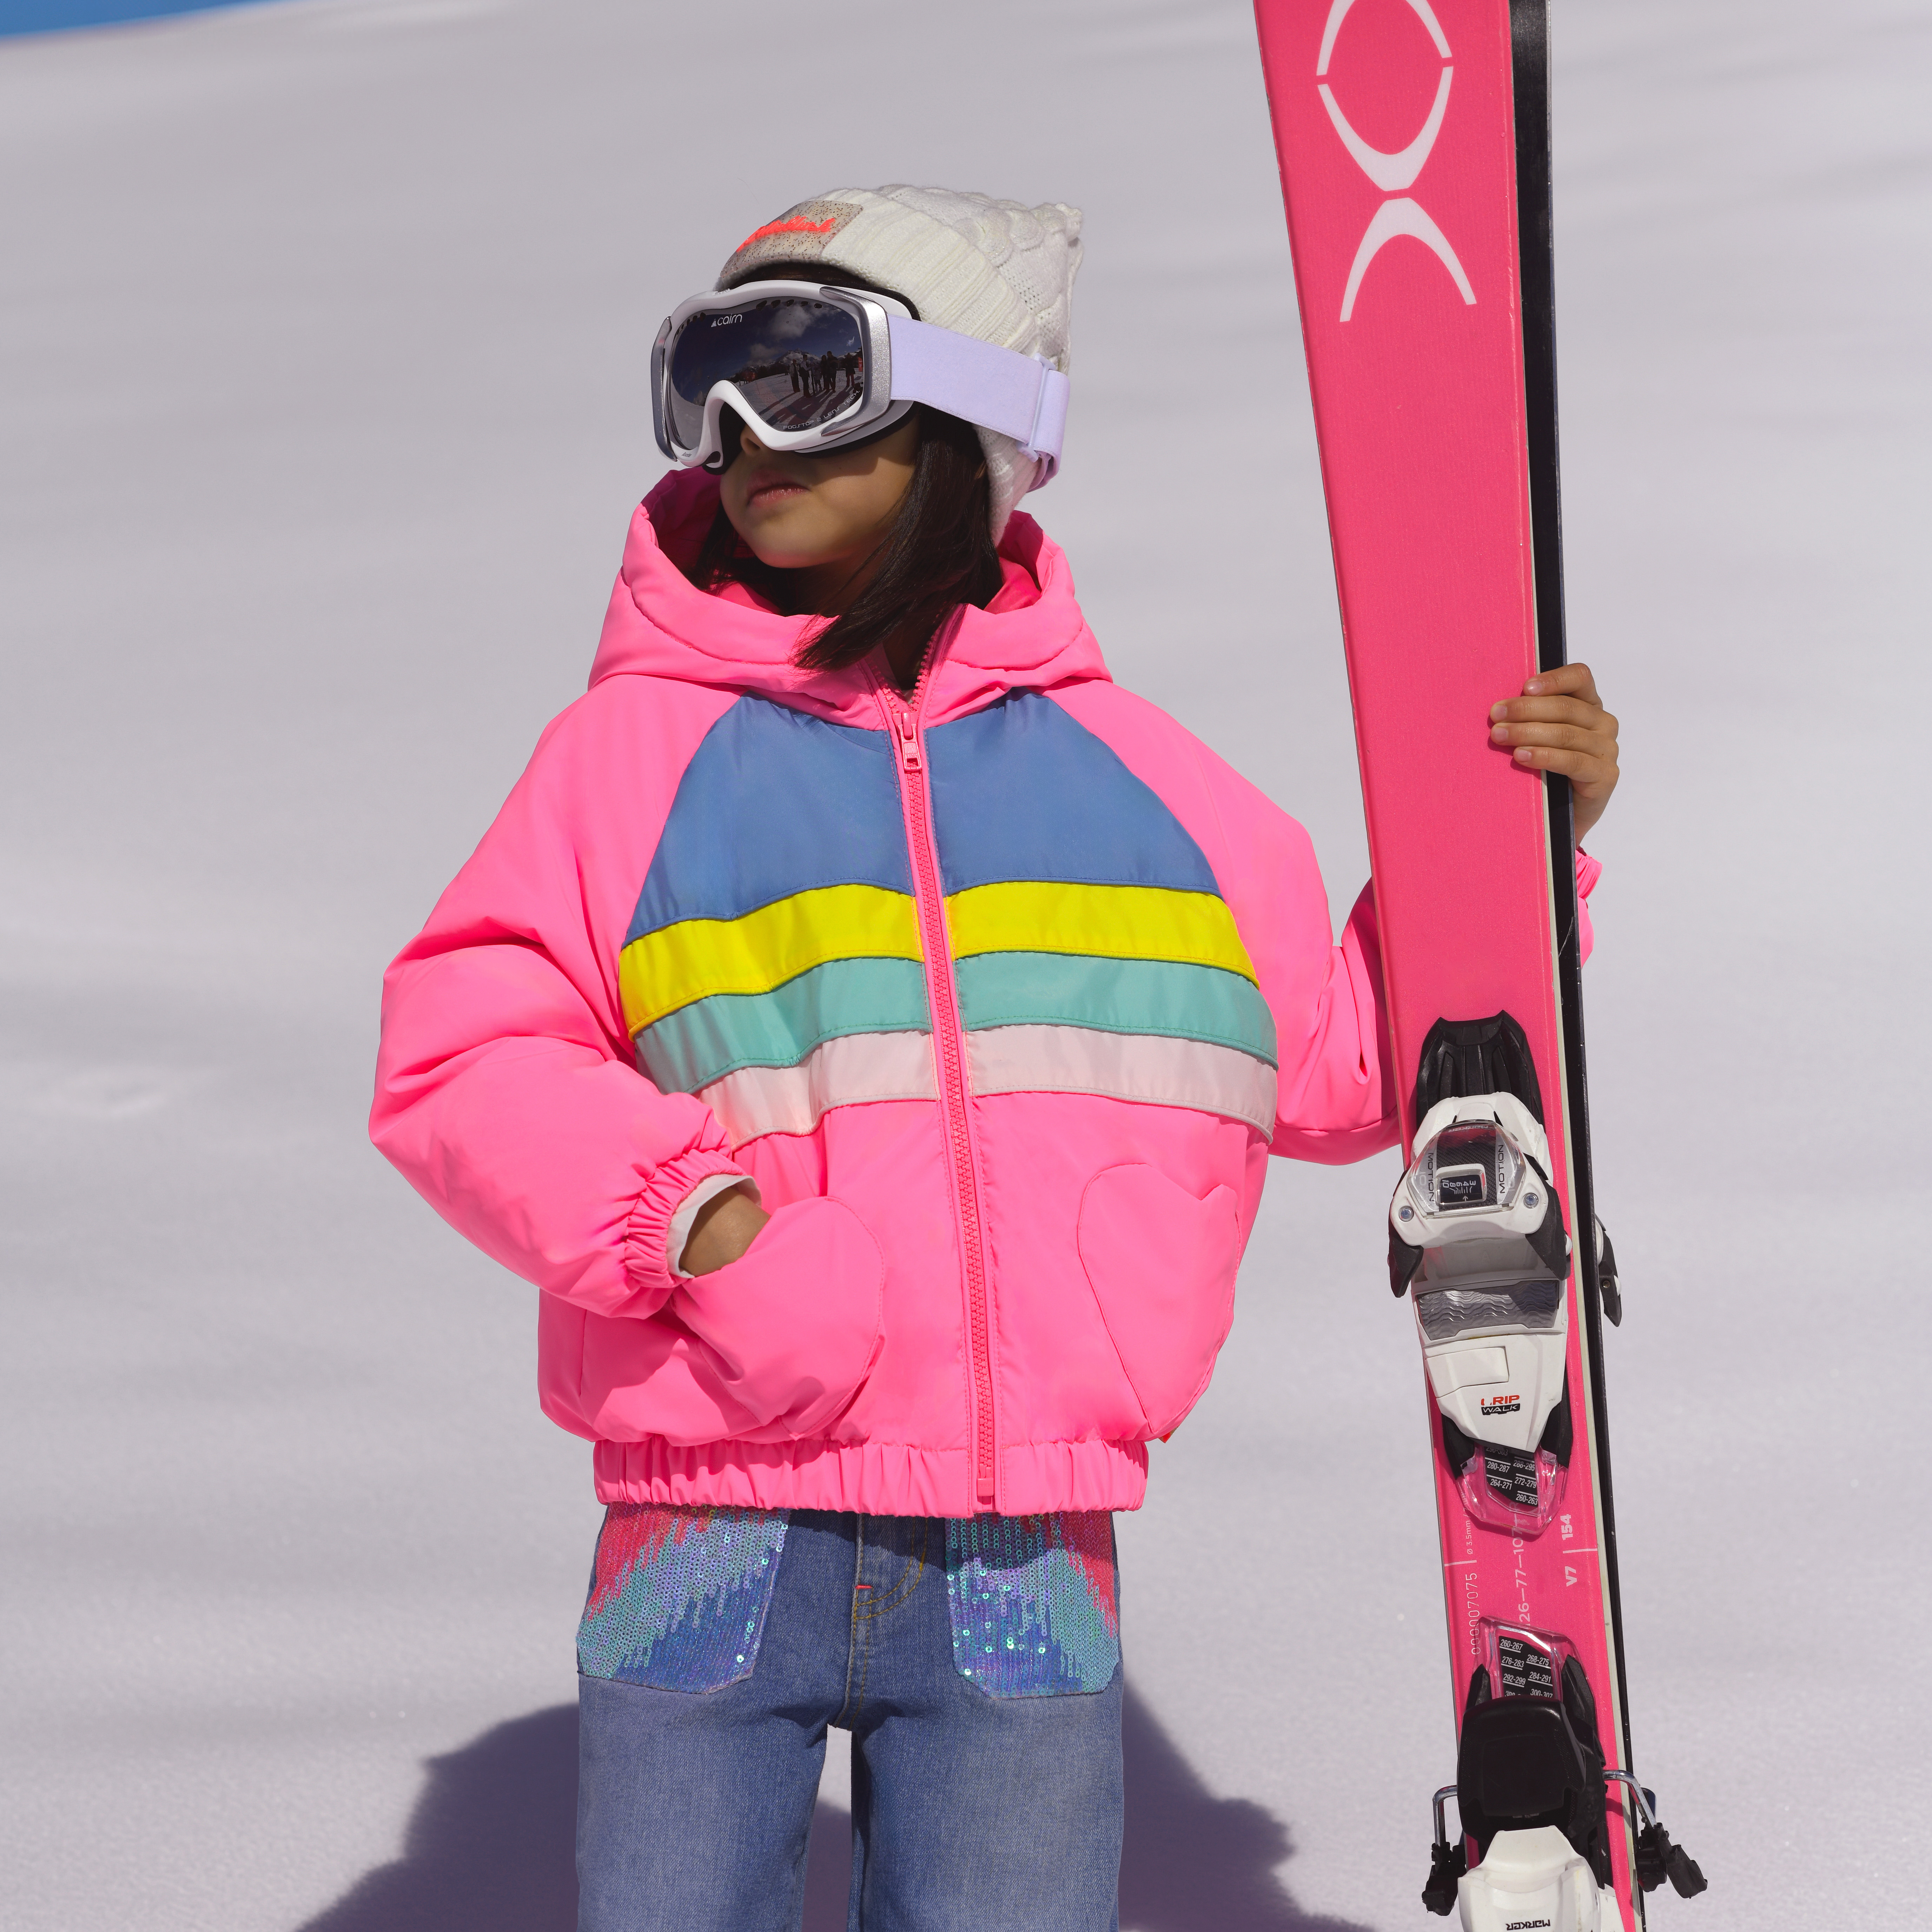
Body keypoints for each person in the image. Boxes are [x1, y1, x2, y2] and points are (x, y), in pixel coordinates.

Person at [369, 185, 1621, 1932]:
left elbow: (1339, 1065)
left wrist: (1512, 854)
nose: (741, 434)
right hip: (715, 1521)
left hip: (1026, 1550)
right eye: (701, 382)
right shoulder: (625, 757)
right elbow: (460, 1051)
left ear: (973, 416)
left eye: (801, 371)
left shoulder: (1139, 782)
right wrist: (708, 1230)